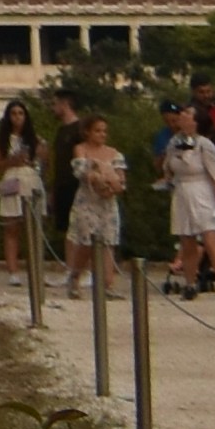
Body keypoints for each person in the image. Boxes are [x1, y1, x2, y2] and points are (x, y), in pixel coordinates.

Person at [162, 103, 215, 296]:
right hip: (182, 192)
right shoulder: (174, 143)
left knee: (210, 241)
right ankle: (190, 284)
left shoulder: (203, 144)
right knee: (187, 242)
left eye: (188, 114)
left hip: (202, 192)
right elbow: (168, 167)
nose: (183, 116)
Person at [66, 111, 129, 306]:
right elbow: (82, 172)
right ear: (88, 132)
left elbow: (121, 178)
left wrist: (114, 185)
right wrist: (97, 177)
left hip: (107, 204)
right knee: (86, 241)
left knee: (108, 241)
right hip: (88, 201)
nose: (102, 134)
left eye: (104, 131)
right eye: (98, 131)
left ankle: (107, 285)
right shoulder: (81, 149)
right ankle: (75, 276)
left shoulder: (113, 153)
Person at [0, 101, 46, 275]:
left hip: (31, 180)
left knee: (34, 228)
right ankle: (13, 271)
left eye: (20, 113)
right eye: (13, 113)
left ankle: (36, 270)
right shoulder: (3, 140)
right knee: (11, 228)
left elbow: (44, 164)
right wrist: (12, 161)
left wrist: (41, 154)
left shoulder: (36, 139)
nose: (17, 117)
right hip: (11, 179)